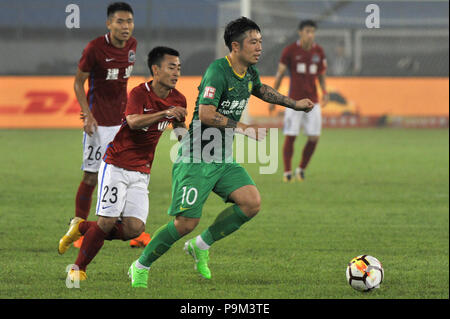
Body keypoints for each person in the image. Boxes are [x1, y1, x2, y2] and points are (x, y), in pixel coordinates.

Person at [128, 17, 314, 288]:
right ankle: (140, 266)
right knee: (185, 223)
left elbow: (260, 89)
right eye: (253, 42)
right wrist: (243, 128)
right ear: (235, 46)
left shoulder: (249, 72)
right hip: (196, 158)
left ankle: (201, 245)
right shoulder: (218, 71)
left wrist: (293, 104)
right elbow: (205, 114)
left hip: (222, 157)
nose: (259, 47)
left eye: (261, 41)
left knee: (251, 203)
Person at [59, 47, 187, 281]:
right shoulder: (140, 93)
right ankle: (78, 270)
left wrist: (188, 141)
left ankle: (81, 227)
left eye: (179, 67)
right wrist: (164, 113)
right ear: (156, 70)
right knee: (107, 221)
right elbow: (133, 121)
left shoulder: (178, 99)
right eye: (171, 67)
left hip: (142, 171)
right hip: (117, 165)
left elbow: (179, 128)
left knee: (134, 228)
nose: (176, 72)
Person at [69, 2, 150, 248]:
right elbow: (77, 83)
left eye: (129, 22)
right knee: (91, 176)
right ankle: (78, 227)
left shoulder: (132, 47)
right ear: (109, 24)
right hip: (98, 126)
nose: (126, 27)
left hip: (123, 125)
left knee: (130, 174)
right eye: (120, 22)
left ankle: (132, 230)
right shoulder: (94, 49)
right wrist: (87, 114)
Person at [269, 20, 328, 182]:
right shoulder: (290, 51)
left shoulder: (319, 52)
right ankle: (287, 173)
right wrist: (273, 98)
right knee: (291, 135)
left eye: (313, 31)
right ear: (300, 32)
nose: (311, 35)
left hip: (313, 102)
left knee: (314, 137)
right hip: (294, 102)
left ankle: (301, 169)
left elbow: (321, 75)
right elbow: (280, 74)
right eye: (308, 31)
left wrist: (325, 91)